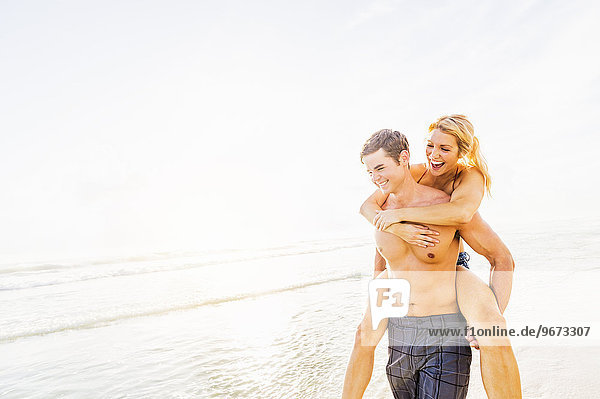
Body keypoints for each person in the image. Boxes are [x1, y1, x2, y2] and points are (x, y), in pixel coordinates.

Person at [342, 129, 521, 399]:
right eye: (370, 172)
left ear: (404, 159)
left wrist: (485, 319)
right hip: (402, 326)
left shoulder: (447, 206)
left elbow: (501, 257)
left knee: (493, 330)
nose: (375, 178)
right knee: (361, 337)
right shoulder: (380, 210)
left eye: (380, 168)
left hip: (444, 316)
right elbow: (382, 261)